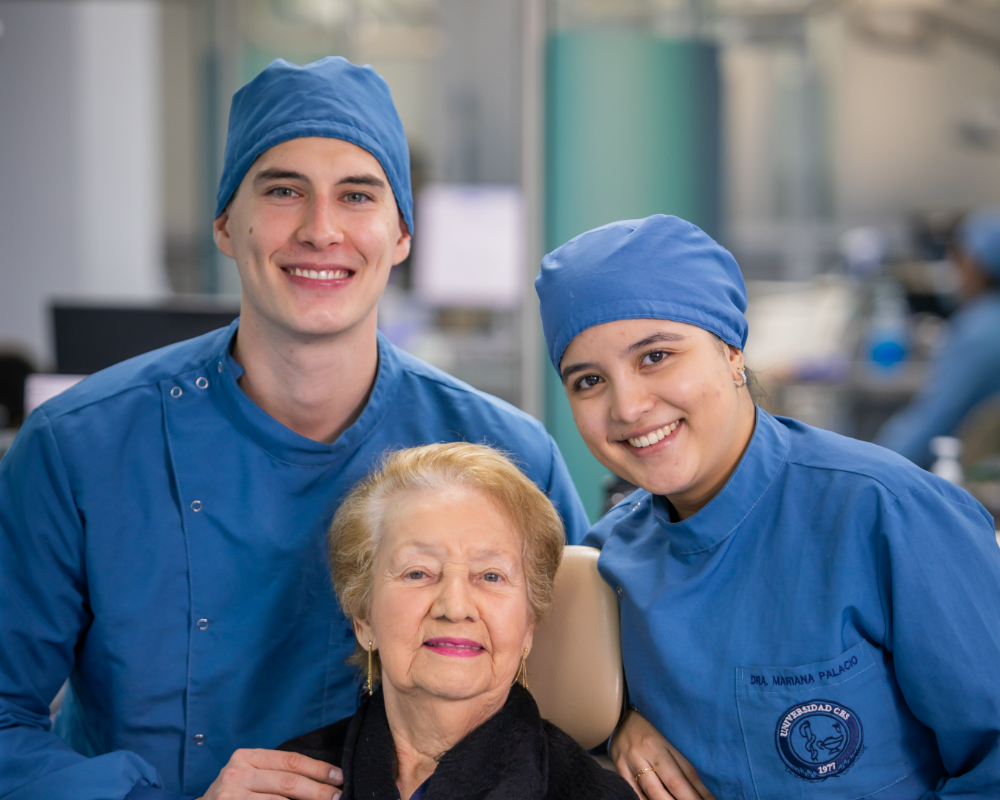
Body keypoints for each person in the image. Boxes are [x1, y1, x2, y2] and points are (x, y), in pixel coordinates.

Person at [0, 58, 588, 800]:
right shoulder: (77, 448)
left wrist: (632, 726)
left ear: (402, 233)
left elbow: (582, 688)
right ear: (225, 221)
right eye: (283, 190)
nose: (320, 229)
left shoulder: (506, 455)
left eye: (357, 195)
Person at [535, 214, 1000, 800]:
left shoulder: (889, 515)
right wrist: (613, 727)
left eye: (655, 357)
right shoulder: (606, 564)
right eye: (588, 381)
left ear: (732, 352)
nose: (627, 406)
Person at [274, 442, 634, 800]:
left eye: (491, 576)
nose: (455, 607)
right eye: (418, 573)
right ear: (363, 618)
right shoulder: (283, 783)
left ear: (529, 626)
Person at [877, 207, 1000, 467]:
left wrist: (872, 464)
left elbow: (930, 424)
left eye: (960, 259)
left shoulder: (979, 332)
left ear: (981, 265)